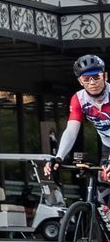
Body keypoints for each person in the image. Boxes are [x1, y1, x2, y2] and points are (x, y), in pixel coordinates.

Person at [45, 54, 110, 183]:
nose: (92, 82)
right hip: (107, 144)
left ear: (105, 76)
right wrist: (59, 157)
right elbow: (71, 131)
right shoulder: (79, 99)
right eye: (86, 79)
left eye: (96, 77)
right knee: (103, 181)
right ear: (80, 81)